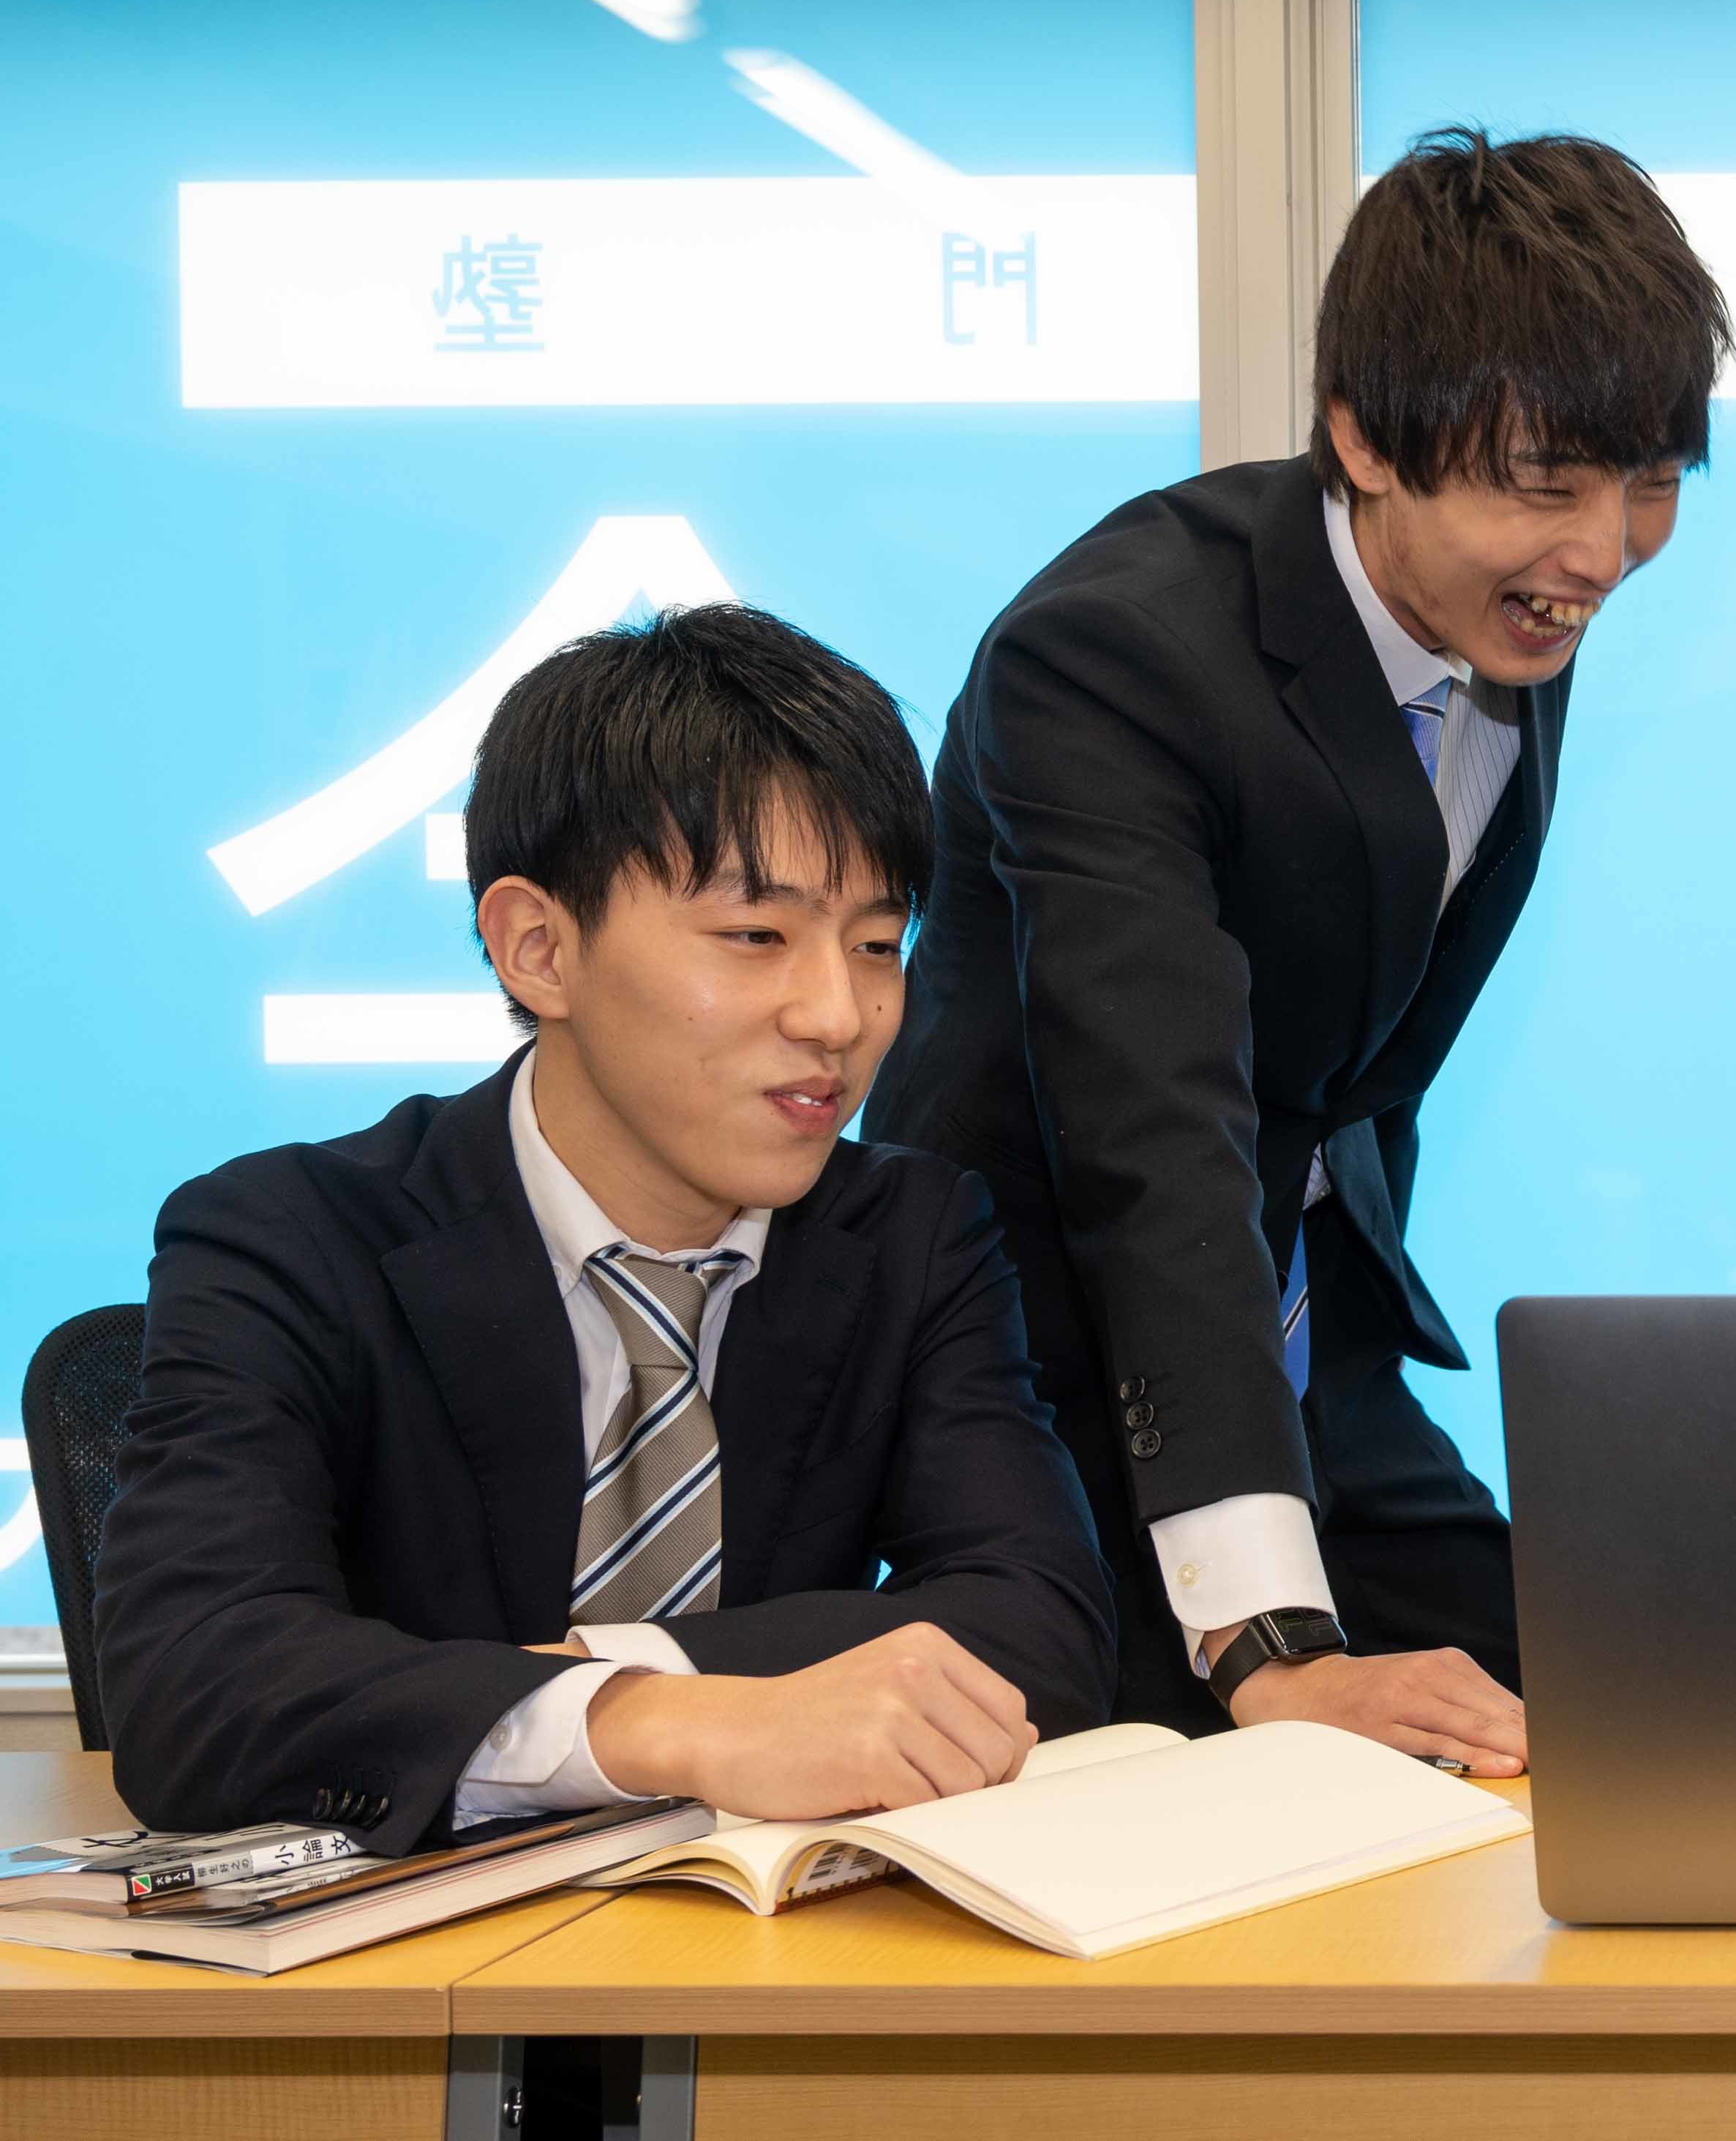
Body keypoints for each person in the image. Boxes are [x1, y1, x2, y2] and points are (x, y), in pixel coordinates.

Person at [872, 128, 1729, 1763]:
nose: (1605, 550)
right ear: (1363, 435)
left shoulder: (1510, 607)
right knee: (1188, 1789)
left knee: (1614, 1703)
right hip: (1046, 1363)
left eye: (1653, 481)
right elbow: (1152, 1130)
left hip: (1302, 1321)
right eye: (1547, 483)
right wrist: (1270, 1638)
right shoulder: (1112, 656)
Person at [98, 607, 1114, 1851]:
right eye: (757, 936)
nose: (837, 1016)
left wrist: (601, 1671)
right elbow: (194, 1677)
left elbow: (1040, 1624)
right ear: (538, 947)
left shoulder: (914, 1233)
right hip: (408, 1953)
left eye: (876, 944)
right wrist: (658, 1721)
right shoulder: (286, 1237)